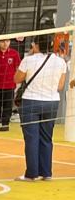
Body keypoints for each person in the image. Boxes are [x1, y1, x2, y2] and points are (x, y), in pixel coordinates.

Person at [15, 39, 70, 181]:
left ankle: (32, 174)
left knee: (32, 139)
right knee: (46, 138)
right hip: (51, 103)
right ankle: (46, 173)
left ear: (35, 45)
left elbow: (17, 79)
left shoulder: (29, 60)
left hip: (31, 102)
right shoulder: (60, 62)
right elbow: (60, 86)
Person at [0, 37, 22, 130]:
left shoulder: (14, 54)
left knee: (7, 105)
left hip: (10, 85)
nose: (5, 43)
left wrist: (17, 80)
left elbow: (18, 68)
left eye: (7, 41)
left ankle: (5, 124)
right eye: (2, 41)